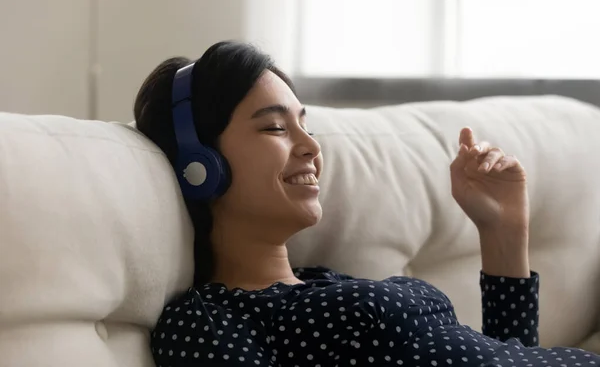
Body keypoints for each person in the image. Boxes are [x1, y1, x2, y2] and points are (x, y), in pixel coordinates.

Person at [135, 41, 599, 366]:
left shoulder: (325, 282)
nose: (311, 147)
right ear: (200, 165)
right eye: (275, 128)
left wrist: (503, 231)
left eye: (305, 126)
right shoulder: (206, 320)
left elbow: (508, 357)